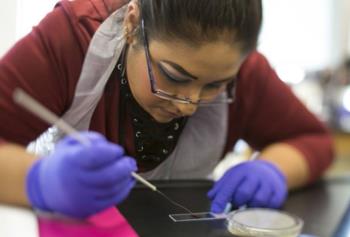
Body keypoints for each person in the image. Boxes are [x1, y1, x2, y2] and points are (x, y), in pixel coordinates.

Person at [0, 0, 334, 218]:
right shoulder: (71, 38)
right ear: (133, 25)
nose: (188, 105)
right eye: (173, 75)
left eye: (215, 85)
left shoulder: (243, 71)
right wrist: (40, 181)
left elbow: (313, 140)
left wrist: (273, 169)